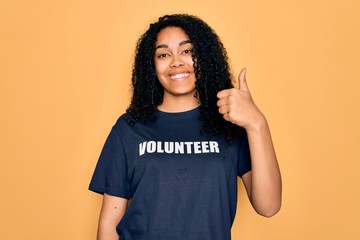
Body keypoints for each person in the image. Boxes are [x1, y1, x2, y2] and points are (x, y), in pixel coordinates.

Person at [89, 14, 282, 240]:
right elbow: (108, 226)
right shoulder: (129, 128)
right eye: (163, 54)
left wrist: (257, 124)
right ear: (151, 65)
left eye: (187, 51)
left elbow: (268, 206)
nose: (176, 61)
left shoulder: (229, 123)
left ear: (205, 57)